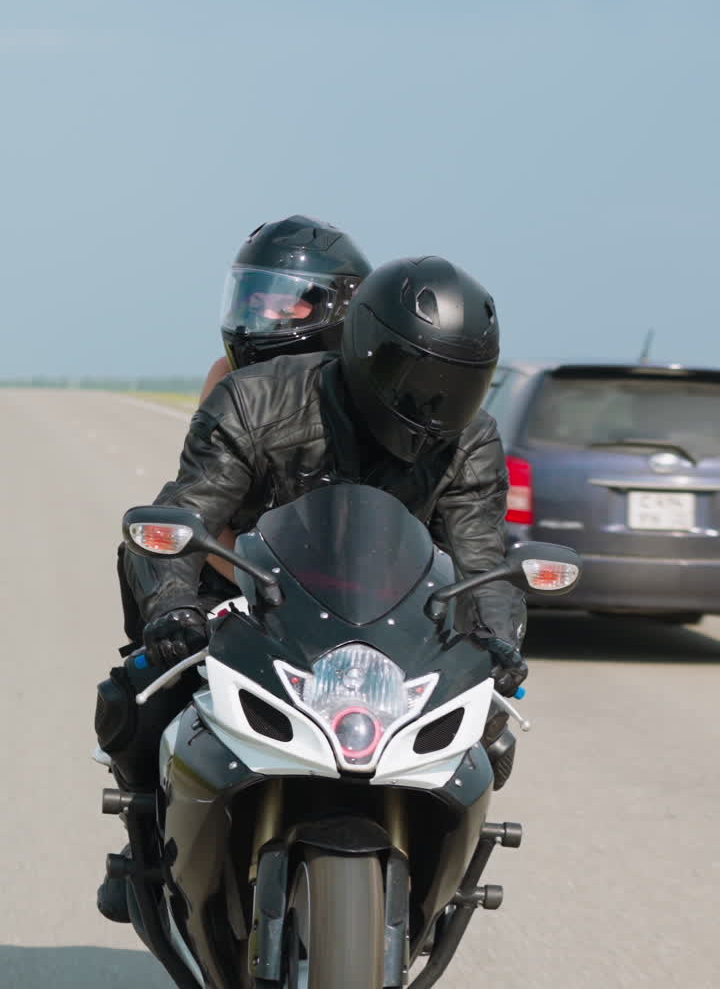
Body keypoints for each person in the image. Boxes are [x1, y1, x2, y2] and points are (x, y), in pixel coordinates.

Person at [97, 254, 527, 919]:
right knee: (137, 700)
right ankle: (141, 858)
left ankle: (438, 892)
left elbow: (481, 557)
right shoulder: (257, 399)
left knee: (493, 736)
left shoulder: (469, 441)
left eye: (458, 385)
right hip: (252, 601)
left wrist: (499, 636)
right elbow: (189, 512)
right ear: (368, 348)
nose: (434, 402)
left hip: (394, 622)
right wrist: (173, 604)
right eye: (419, 379)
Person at [116, 214, 372, 643]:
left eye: (288, 300)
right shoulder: (227, 378)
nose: (264, 314)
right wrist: (265, 586)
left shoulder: (369, 392)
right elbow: (208, 512)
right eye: (254, 299)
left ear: (343, 307)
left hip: (362, 601)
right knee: (152, 678)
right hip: (245, 582)